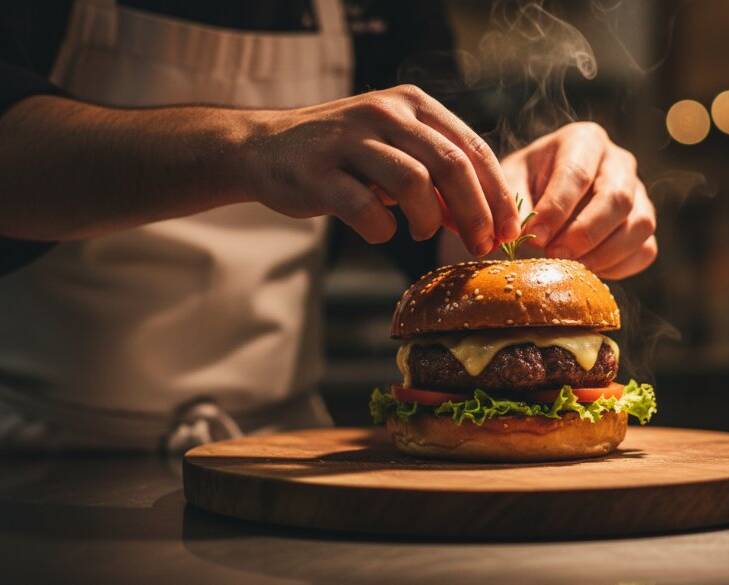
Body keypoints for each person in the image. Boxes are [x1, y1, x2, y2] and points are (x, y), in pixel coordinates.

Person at [0, 0, 656, 451]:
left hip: (278, 452)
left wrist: (519, 203)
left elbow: (432, 222)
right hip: (37, 456)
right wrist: (247, 146)